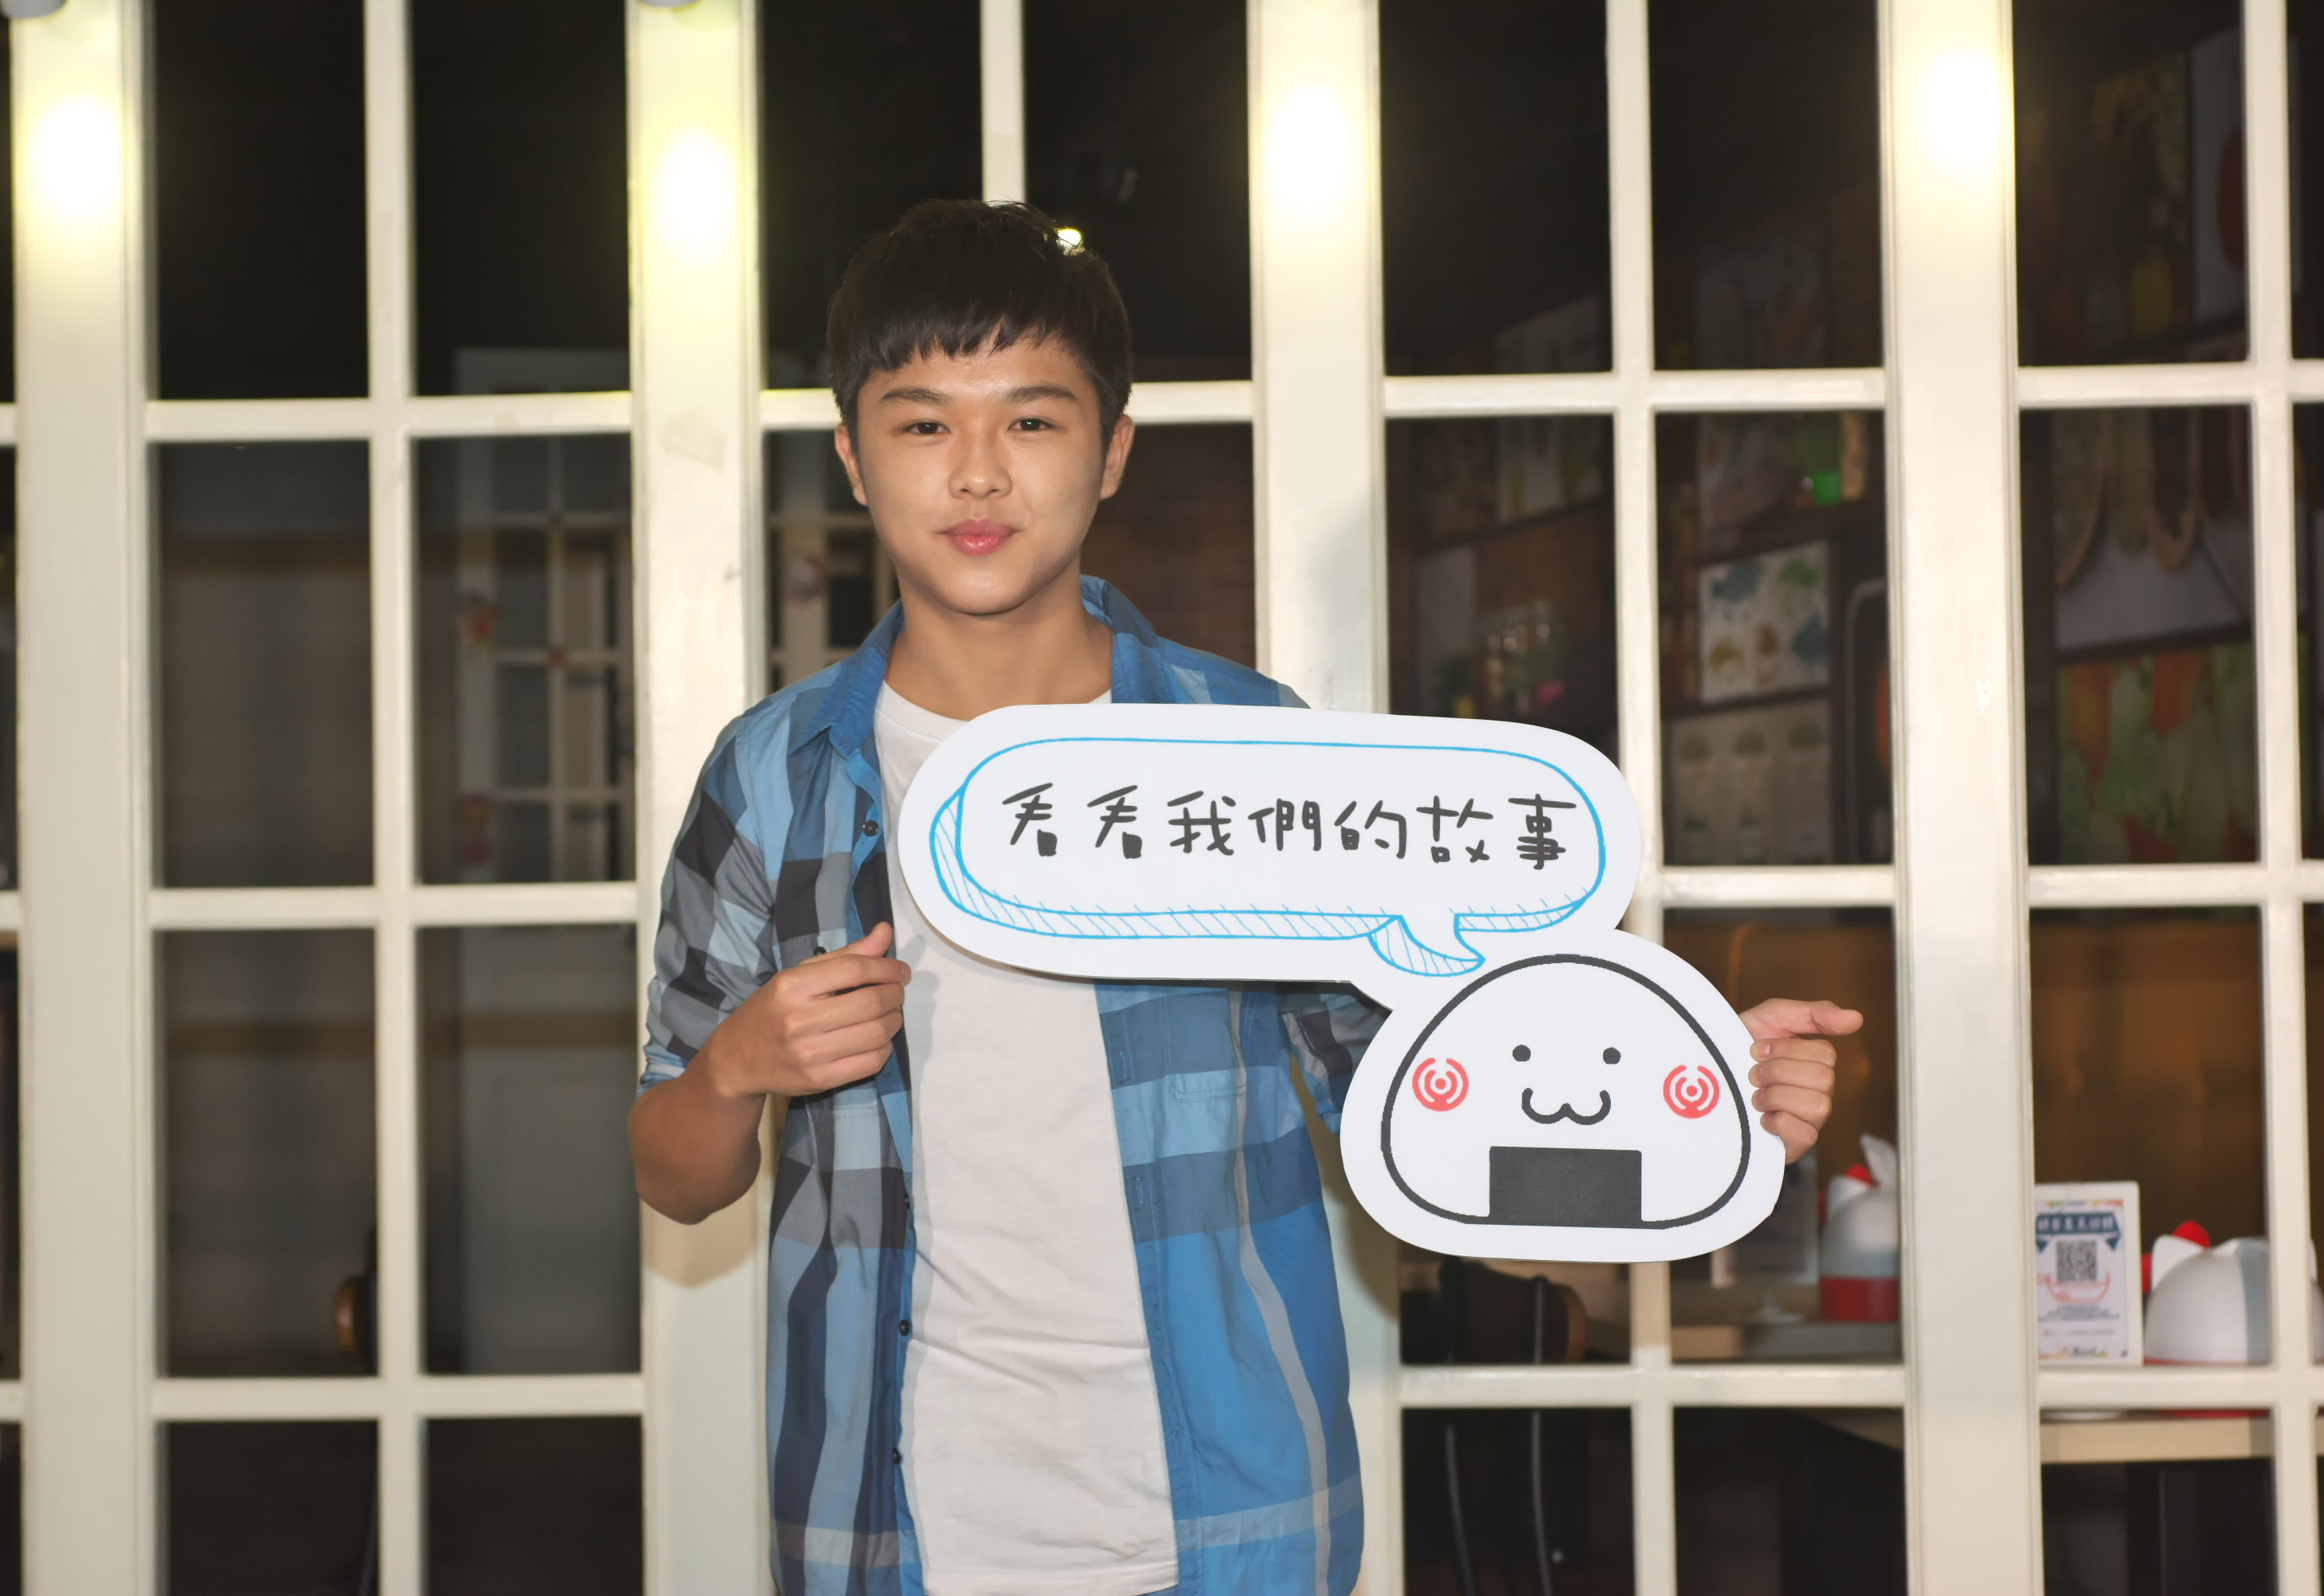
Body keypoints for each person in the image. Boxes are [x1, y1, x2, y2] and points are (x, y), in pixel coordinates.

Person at [627, 199, 1858, 1596]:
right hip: (886, 1527)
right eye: (922, 423)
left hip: (1240, 1525)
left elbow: (1412, 1117)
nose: (977, 473)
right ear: (853, 455)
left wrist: (1692, 1091)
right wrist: (738, 1068)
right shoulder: (775, 774)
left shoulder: (1253, 750)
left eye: (1031, 420)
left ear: (1113, 450)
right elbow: (672, 1171)